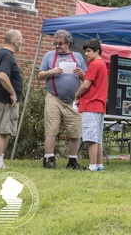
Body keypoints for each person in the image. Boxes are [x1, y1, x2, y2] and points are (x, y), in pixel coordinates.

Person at [38, 29, 87, 169]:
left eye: (60, 44)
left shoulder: (78, 57)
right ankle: (49, 158)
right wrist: (50, 72)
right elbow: (40, 75)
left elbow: (87, 79)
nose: (57, 46)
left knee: (75, 131)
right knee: (51, 129)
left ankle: (72, 161)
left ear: (68, 43)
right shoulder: (49, 56)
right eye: (55, 43)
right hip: (54, 97)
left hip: (73, 101)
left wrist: (81, 73)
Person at [0, 29, 24, 170]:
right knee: (3, 131)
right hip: (5, 100)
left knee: (4, 130)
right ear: (15, 42)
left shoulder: (0, 54)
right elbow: (3, 76)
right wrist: (12, 93)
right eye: (21, 39)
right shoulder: (7, 56)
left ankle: (0, 160)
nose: (22, 42)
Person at [74, 39, 108, 171]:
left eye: (89, 51)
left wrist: (77, 95)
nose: (86, 54)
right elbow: (94, 82)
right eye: (85, 51)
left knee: (90, 137)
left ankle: (92, 166)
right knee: (98, 138)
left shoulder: (94, 64)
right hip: (99, 105)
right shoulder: (102, 64)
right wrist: (83, 75)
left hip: (90, 104)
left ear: (97, 51)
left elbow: (86, 85)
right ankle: (99, 165)